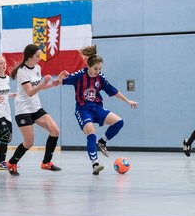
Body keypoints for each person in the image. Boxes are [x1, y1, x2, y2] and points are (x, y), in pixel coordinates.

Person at [59, 45, 138, 175]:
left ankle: (102, 142)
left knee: (119, 122)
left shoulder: (100, 77)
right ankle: (95, 164)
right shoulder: (79, 76)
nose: (97, 71)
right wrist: (61, 78)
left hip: (97, 108)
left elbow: (113, 91)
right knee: (91, 133)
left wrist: (128, 101)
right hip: (83, 110)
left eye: (100, 69)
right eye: (95, 69)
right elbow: (61, 82)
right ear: (89, 66)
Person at [6, 44, 68, 176]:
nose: (39, 59)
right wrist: (43, 83)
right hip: (23, 110)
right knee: (29, 142)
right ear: (29, 57)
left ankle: (46, 163)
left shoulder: (38, 68)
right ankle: (12, 163)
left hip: (36, 108)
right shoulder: (22, 72)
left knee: (55, 131)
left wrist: (54, 83)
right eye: (37, 56)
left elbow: (39, 87)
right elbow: (30, 92)